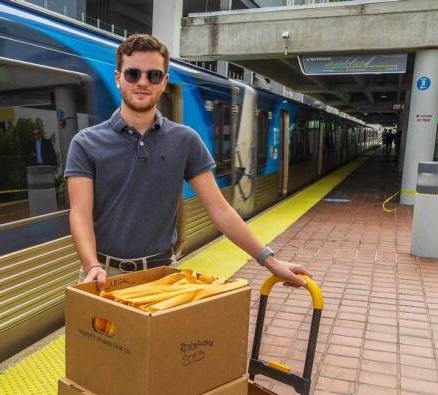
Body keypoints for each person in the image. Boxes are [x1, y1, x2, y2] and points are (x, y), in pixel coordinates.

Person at [66, 34, 310, 289]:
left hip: (162, 275)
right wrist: (91, 264)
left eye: (154, 75)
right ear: (118, 78)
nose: (142, 82)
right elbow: (80, 214)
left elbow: (221, 210)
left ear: (164, 82)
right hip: (103, 276)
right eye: (132, 74)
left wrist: (270, 261)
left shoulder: (185, 141)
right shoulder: (85, 143)